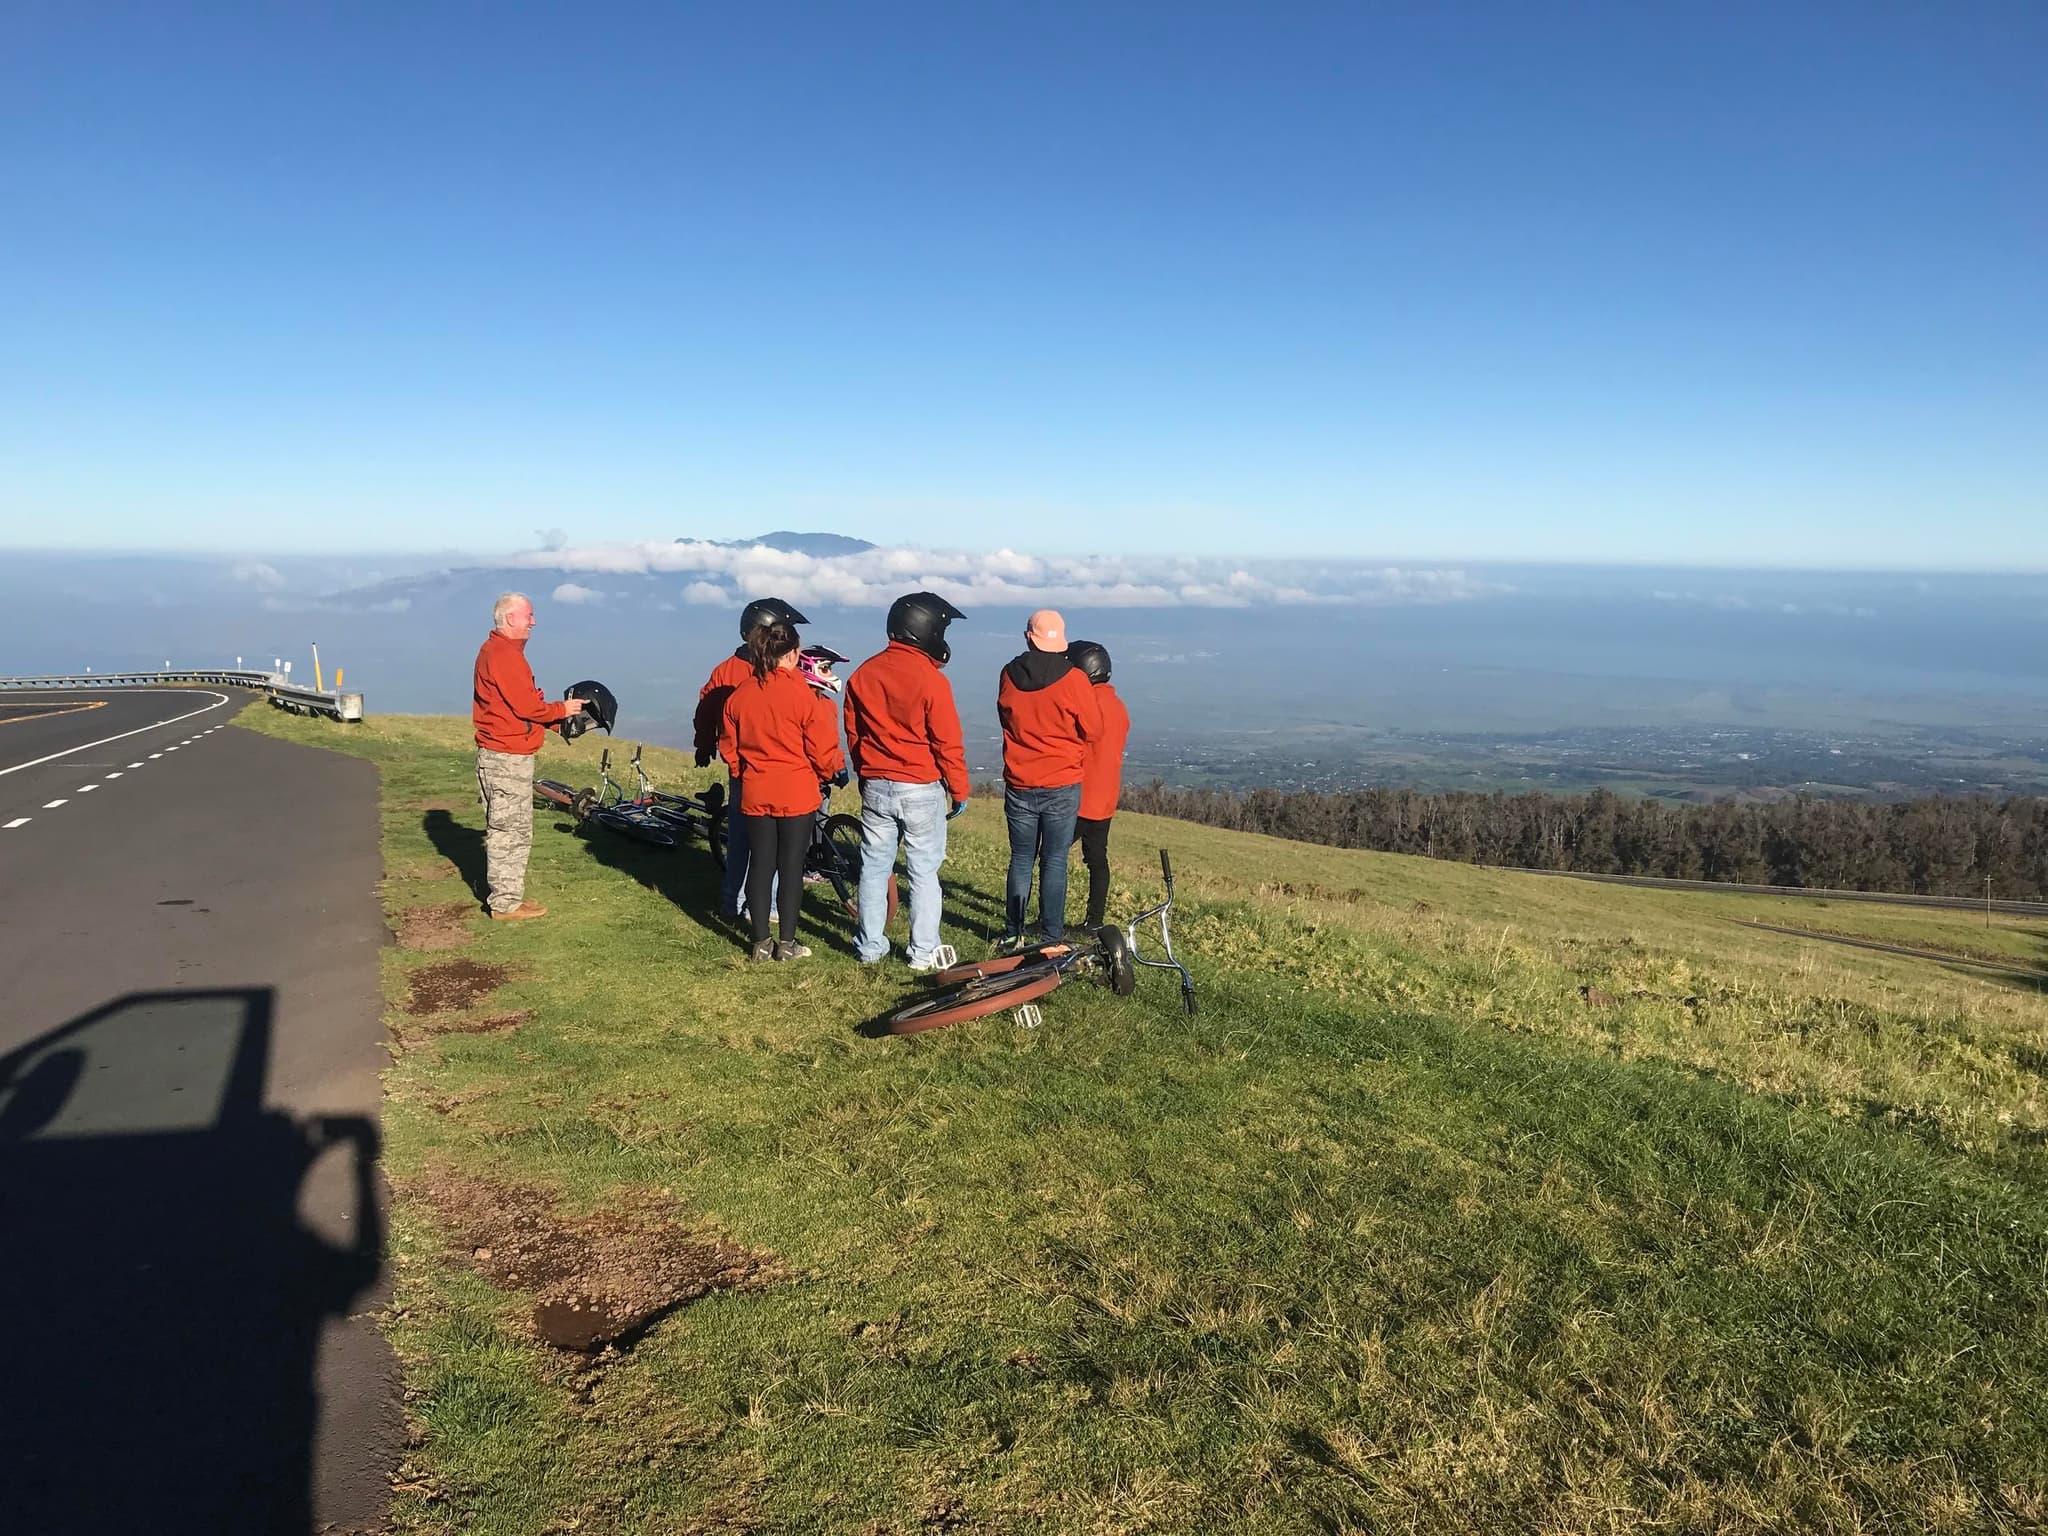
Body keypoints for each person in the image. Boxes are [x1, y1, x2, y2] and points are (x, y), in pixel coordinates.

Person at [844, 593, 969, 971]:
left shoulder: (863, 673)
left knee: (874, 869)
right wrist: (959, 789)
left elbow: (854, 733)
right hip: (919, 787)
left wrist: (865, 772)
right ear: (927, 631)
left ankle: (869, 947)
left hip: (876, 785)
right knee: (923, 872)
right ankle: (923, 952)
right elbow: (947, 741)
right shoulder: (931, 681)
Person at [719, 619, 846, 962]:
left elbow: (728, 747)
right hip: (798, 791)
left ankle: (760, 942)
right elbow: (821, 749)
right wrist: (833, 770)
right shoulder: (804, 696)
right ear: (791, 654)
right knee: (791, 868)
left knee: (760, 866)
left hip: (756, 791)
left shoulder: (740, 696)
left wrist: (741, 772)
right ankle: (787, 943)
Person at [472, 592, 586, 919]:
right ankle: (505, 904)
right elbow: (526, 706)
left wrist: (553, 723)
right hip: (506, 757)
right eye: (529, 616)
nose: (533, 622)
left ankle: (510, 897)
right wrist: (562, 710)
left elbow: (520, 706)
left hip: (503, 753)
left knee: (513, 828)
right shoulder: (504, 655)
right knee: (510, 830)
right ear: (510, 618)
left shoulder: (499, 652)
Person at [696, 598, 808, 921]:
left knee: (741, 840)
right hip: (777, 771)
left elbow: (706, 711)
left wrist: (705, 747)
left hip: (741, 769)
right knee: (772, 847)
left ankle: (730, 900)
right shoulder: (781, 673)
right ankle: (766, 907)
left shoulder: (725, 670)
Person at [996, 609, 1102, 948]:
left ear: (1029, 636)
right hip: (1061, 782)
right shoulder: (1075, 680)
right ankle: (1051, 937)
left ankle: (1013, 932)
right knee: (1054, 861)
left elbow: (1005, 716)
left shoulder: (1008, 674)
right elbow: (1094, 729)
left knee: (1022, 858)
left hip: (1020, 781)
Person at [1066, 641, 1130, 929]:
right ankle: (1094, 921)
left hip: (1080, 796)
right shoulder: (1118, 706)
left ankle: (1047, 918)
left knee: (1050, 856)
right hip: (1105, 798)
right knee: (1097, 860)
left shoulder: (1085, 704)